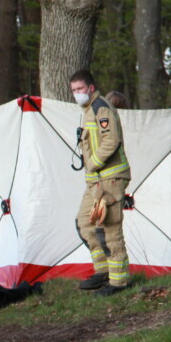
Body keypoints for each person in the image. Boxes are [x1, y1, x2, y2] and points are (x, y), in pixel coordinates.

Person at [69, 70, 131, 296]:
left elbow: (111, 139)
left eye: (80, 89)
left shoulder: (100, 108)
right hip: (95, 181)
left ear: (91, 88)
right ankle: (102, 271)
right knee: (84, 223)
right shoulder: (87, 111)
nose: (77, 94)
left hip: (110, 178)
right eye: (74, 90)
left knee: (110, 229)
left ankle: (119, 282)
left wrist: (93, 162)